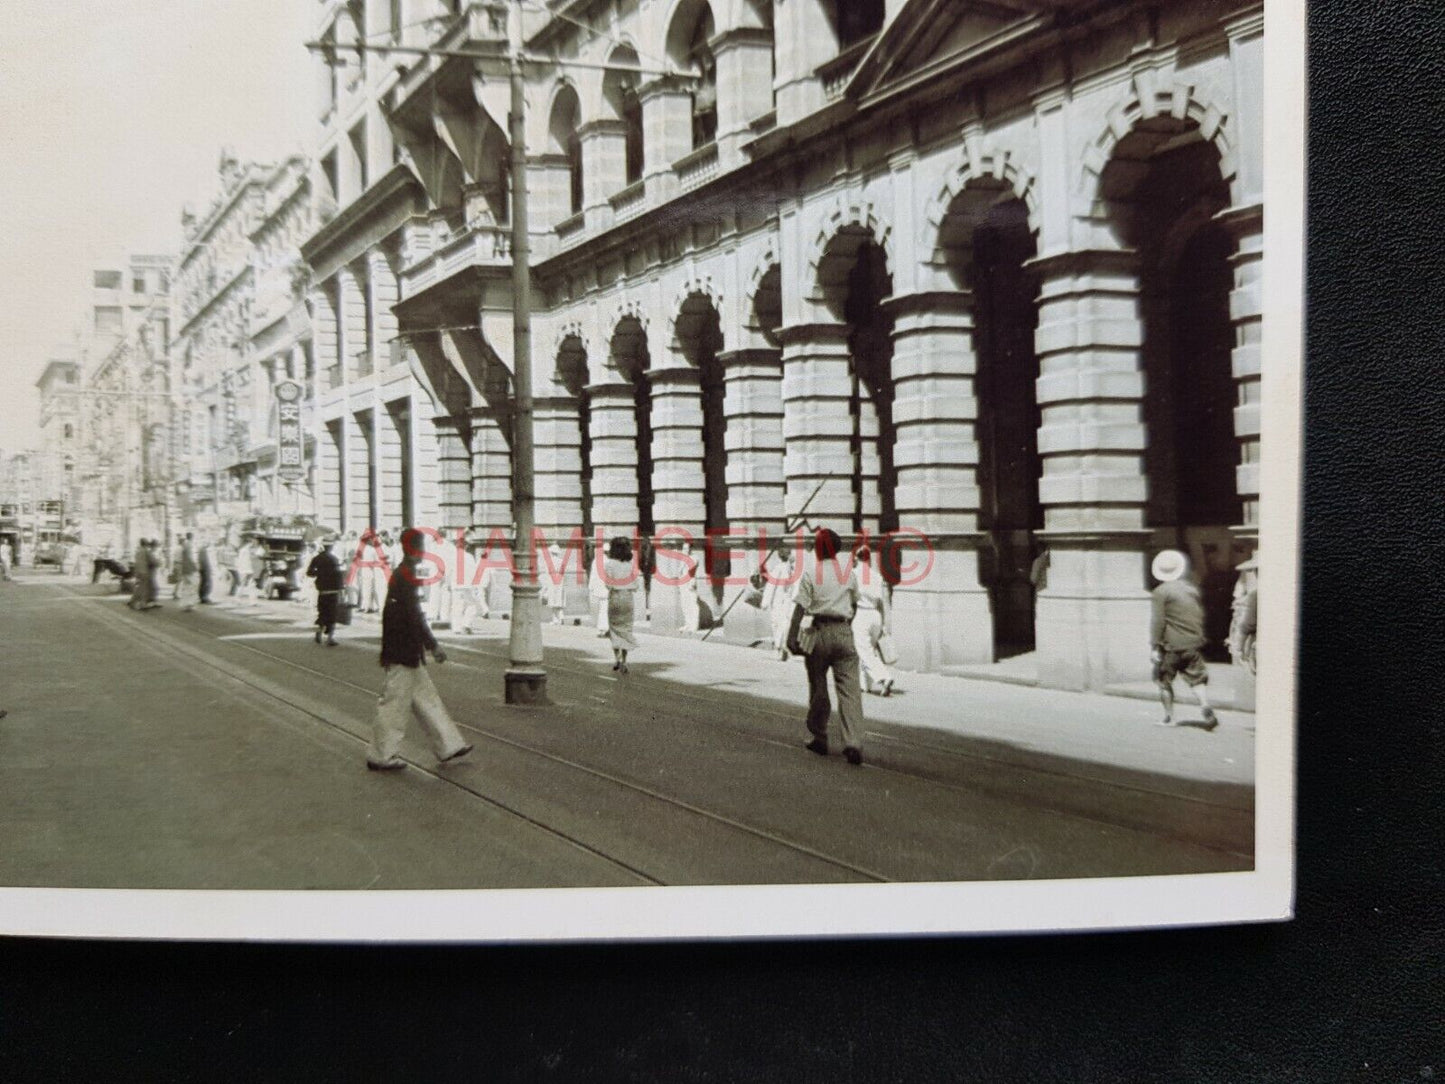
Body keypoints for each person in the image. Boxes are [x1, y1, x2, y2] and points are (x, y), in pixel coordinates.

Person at [365, 527, 473, 772]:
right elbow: (413, 616)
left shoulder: (403, 573)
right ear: (414, 548)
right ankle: (381, 755)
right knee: (394, 704)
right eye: (421, 545)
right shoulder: (405, 575)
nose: (424, 550)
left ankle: (449, 745)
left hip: (406, 651)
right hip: (403, 652)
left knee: (426, 699)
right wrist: (432, 645)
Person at [787, 527, 864, 765]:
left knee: (818, 685)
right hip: (843, 631)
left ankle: (820, 736)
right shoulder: (848, 574)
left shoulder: (811, 572)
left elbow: (800, 606)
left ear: (819, 550)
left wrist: (791, 637)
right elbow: (855, 604)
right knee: (850, 690)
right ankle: (852, 742)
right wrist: (845, 624)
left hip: (819, 631)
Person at [1150, 549, 1219, 730]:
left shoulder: (1161, 592)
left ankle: (1168, 717)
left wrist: (1155, 647)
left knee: (1163, 680)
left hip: (1171, 646)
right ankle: (1204, 705)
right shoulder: (1191, 589)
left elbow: (1158, 621)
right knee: (1197, 678)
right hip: (1193, 644)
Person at [851, 544, 895, 697]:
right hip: (876, 614)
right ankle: (865, 685)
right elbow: (883, 601)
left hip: (861, 614)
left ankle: (884, 677)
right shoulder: (877, 576)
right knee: (870, 648)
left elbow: (849, 597)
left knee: (863, 650)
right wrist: (883, 623)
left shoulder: (853, 574)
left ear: (856, 558)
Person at [603, 535, 640, 673]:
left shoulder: (609, 564)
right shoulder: (630, 565)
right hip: (628, 599)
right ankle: (624, 660)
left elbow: (608, 584)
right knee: (626, 629)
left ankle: (617, 659)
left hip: (615, 598)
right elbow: (635, 586)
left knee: (614, 629)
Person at [307, 538, 344, 646]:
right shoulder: (334, 559)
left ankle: (319, 631)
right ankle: (329, 638)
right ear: (331, 547)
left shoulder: (317, 559)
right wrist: (341, 589)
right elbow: (338, 575)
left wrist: (319, 573)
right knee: (332, 614)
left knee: (322, 613)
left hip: (322, 590)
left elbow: (309, 572)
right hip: (333, 590)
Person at [761, 551, 796, 662]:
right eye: (791, 554)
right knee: (777, 623)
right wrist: (765, 601)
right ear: (787, 556)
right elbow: (771, 585)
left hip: (788, 602)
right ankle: (778, 648)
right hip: (778, 601)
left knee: (785, 624)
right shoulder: (778, 569)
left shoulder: (793, 569)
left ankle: (782, 647)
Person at [543, 543, 567, 625]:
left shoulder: (549, 561)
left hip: (552, 580)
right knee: (559, 599)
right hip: (560, 580)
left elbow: (547, 573)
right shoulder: (561, 561)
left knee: (553, 600)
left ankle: (555, 619)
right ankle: (561, 616)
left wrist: (545, 587)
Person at [178, 533, 199, 611]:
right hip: (190, 569)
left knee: (185, 586)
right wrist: (195, 567)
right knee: (192, 586)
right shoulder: (190, 545)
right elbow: (191, 558)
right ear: (192, 537)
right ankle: (190, 604)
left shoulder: (184, 545)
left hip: (184, 568)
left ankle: (184, 604)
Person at [128, 539, 151, 610]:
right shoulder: (146, 551)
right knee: (144, 588)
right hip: (144, 571)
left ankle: (132, 601)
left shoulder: (137, 551)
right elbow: (150, 561)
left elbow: (136, 562)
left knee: (139, 587)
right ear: (145, 544)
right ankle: (142, 604)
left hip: (138, 571)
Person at [197, 538, 215, 604]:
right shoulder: (203, 550)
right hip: (205, 569)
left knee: (203, 583)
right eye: (208, 543)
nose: (209, 544)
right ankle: (205, 597)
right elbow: (205, 561)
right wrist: (209, 569)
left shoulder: (201, 549)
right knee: (207, 583)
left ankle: (202, 597)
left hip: (203, 569)